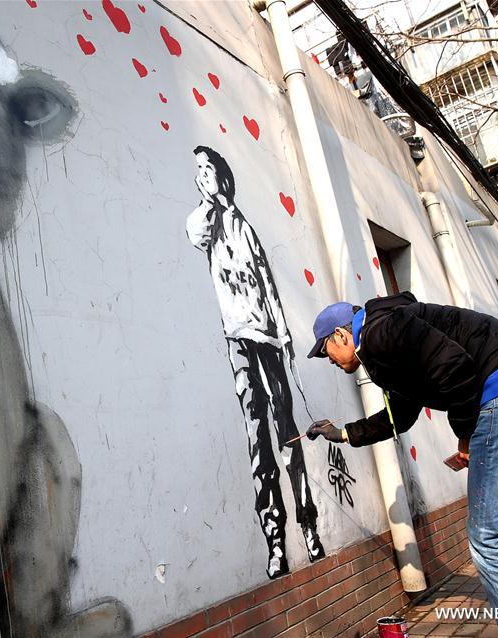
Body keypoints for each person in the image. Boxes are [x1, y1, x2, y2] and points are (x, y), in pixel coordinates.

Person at [306, 292, 498, 637]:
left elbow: (456, 368)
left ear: (341, 334)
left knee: (491, 539)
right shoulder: (393, 332)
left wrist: (466, 435)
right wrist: (344, 433)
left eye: (325, 351)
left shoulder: (380, 333)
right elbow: (401, 413)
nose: (329, 361)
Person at [187, 146, 324, 579]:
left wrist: (284, 334)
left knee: (288, 438)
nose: (202, 177)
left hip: (267, 341)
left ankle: (309, 526)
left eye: (208, 169)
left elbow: (268, 284)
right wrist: (210, 199)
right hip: (238, 343)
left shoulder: (245, 227)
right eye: (197, 172)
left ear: (223, 176)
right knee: (257, 442)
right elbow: (198, 236)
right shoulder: (201, 219)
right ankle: (275, 540)